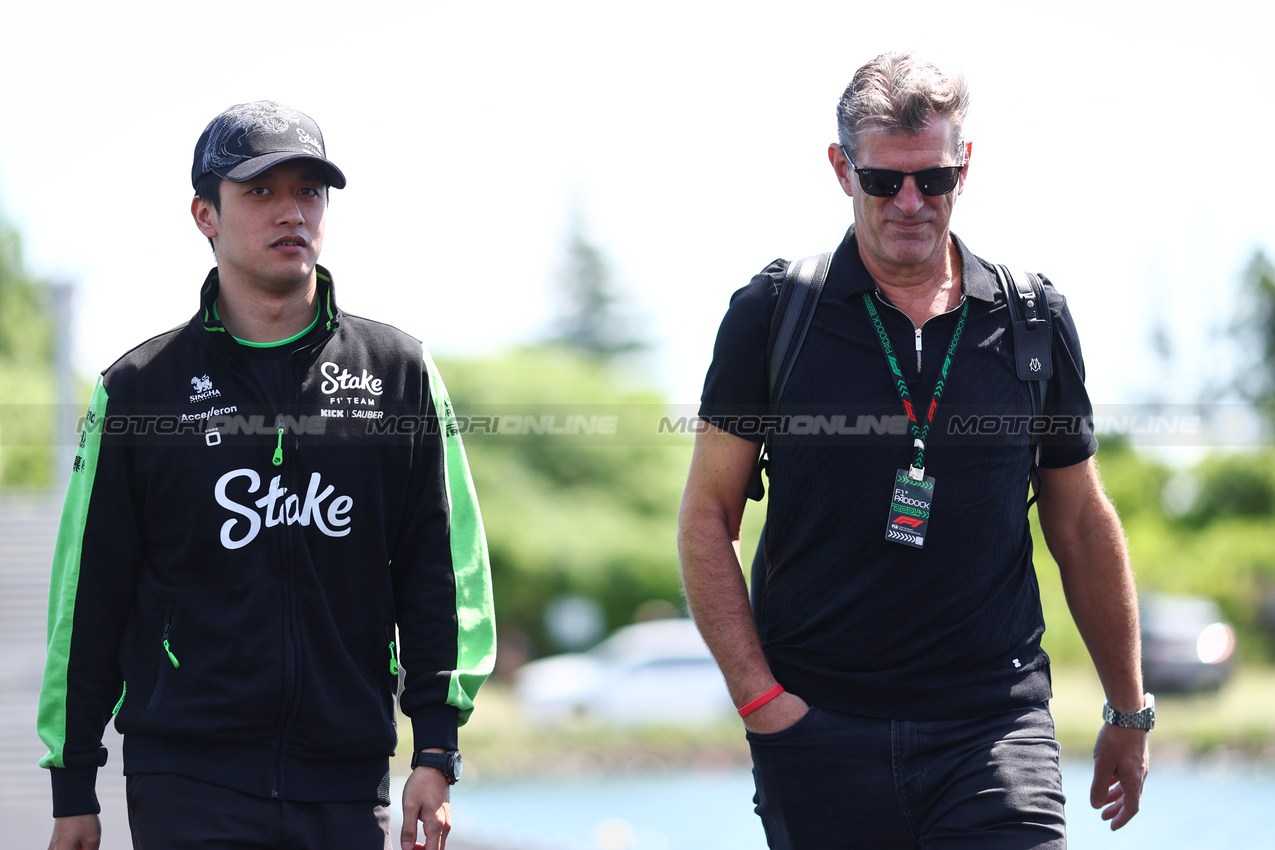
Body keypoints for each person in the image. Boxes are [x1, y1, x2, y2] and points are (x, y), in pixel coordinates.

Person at [679, 53, 1151, 849]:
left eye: (931, 180)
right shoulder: (773, 313)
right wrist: (761, 702)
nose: (909, 203)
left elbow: (1077, 525)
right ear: (841, 168)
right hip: (818, 731)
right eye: (882, 181)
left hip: (994, 731)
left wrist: (1127, 709)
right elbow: (705, 517)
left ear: (963, 168)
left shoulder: (1032, 318)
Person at [38, 101, 496, 850]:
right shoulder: (139, 389)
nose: (292, 212)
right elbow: (90, 595)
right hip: (186, 779)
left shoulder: (399, 373)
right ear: (203, 214)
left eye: (308, 192)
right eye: (260, 192)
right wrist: (73, 784)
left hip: (345, 780)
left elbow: (440, 572)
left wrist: (437, 751)